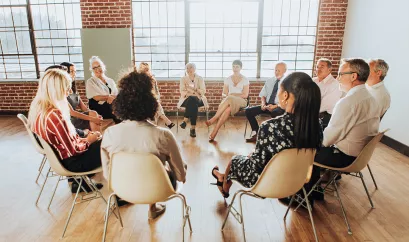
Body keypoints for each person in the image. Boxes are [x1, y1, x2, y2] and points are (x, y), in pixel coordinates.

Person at [211, 72, 322, 201]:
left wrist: (253, 155)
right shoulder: (317, 125)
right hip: (297, 182)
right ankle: (222, 177)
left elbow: (256, 167)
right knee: (251, 156)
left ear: (285, 95)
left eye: (280, 90)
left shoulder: (270, 127)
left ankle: (224, 186)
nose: (278, 94)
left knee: (234, 160)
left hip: (268, 184)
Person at [101, 70, 187, 219]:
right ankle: (152, 207)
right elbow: (180, 176)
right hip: (159, 190)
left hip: (122, 189)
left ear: (121, 103)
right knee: (166, 165)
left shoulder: (109, 134)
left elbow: (107, 174)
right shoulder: (163, 135)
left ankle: (149, 202)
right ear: (151, 104)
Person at [304, 58, 380, 203]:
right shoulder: (370, 98)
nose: (337, 78)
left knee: (305, 149)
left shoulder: (348, 101)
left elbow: (327, 140)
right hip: (360, 157)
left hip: (344, 157)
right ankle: (314, 191)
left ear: (353, 76)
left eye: (341, 74)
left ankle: (307, 195)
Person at [28, 68, 103, 193]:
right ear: (56, 89)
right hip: (73, 163)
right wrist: (89, 140)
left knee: (104, 141)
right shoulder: (55, 115)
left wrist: (84, 137)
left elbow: (67, 142)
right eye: (66, 87)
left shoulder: (41, 111)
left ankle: (82, 183)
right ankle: (121, 191)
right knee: (111, 144)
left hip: (63, 160)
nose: (69, 91)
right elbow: (73, 151)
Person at [206, 60, 249, 141]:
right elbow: (224, 94)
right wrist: (228, 96)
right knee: (227, 109)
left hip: (241, 101)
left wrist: (232, 95)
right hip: (229, 101)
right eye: (233, 66)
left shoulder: (245, 79)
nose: (235, 68)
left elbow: (245, 95)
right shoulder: (228, 79)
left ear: (241, 68)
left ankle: (214, 118)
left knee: (229, 98)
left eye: (237, 67)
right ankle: (215, 131)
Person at [245, 62, 287, 142]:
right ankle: (257, 133)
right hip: (267, 104)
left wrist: (275, 106)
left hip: (279, 106)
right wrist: (263, 104)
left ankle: (274, 137)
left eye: (279, 71)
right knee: (248, 111)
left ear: (285, 71)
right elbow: (263, 95)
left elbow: (287, 100)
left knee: (275, 113)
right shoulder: (270, 81)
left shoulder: (287, 83)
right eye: (275, 70)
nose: (276, 72)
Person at [60, 62, 103, 136]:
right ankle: (98, 140)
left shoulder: (73, 89)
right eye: (71, 71)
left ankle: (97, 139)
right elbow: (71, 112)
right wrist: (92, 118)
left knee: (94, 113)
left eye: (75, 71)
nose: (74, 74)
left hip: (76, 117)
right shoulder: (61, 90)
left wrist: (96, 116)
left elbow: (84, 109)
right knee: (93, 117)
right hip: (69, 120)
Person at [139, 62, 175, 129]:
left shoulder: (152, 78)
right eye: (144, 69)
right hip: (144, 98)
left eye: (147, 69)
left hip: (153, 98)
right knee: (156, 106)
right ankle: (167, 122)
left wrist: (157, 98)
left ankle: (162, 123)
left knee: (156, 106)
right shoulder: (140, 79)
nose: (146, 71)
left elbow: (156, 90)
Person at [177, 63, 208, 137]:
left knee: (192, 100)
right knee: (192, 100)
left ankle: (185, 121)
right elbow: (182, 91)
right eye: (187, 68)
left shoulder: (200, 78)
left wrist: (194, 89)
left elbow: (203, 91)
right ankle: (192, 128)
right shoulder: (183, 79)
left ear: (195, 69)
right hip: (186, 99)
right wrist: (195, 93)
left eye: (191, 67)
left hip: (199, 100)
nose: (189, 69)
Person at [86, 56, 120, 123]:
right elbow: (96, 97)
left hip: (111, 104)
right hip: (98, 106)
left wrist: (112, 98)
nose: (97, 69)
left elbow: (116, 94)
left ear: (103, 66)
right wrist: (108, 97)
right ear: (92, 70)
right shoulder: (91, 81)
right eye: (94, 68)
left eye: (99, 66)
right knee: (114, 108)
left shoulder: (110, 80)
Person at [312, 58, 342, 129]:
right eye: (317, 67)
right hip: (310, 113)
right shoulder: (313, 80)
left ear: (329, 69)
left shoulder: (335, 84)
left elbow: (323, 106)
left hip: (324, 117)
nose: (318, 69)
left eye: (322, 67)